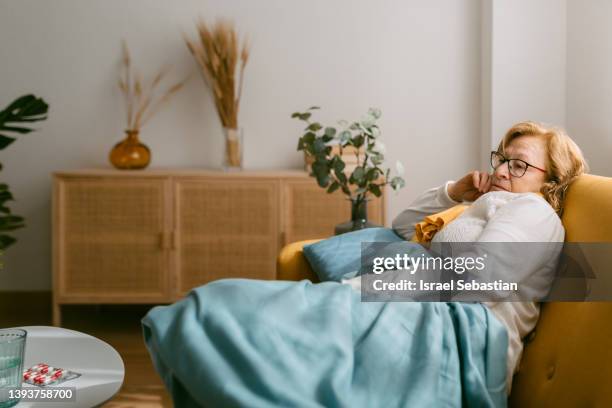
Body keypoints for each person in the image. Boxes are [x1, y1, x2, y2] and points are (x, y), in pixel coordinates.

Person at [390, 121, 588, 393]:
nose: (500, 171)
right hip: (422, 313)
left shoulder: (533, 210)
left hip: (453, 341)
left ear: (550, 182)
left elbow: (478, 281)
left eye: (519, 165)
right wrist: (455, 192)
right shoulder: (485, 206)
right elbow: (402, 226)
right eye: (502, 159)